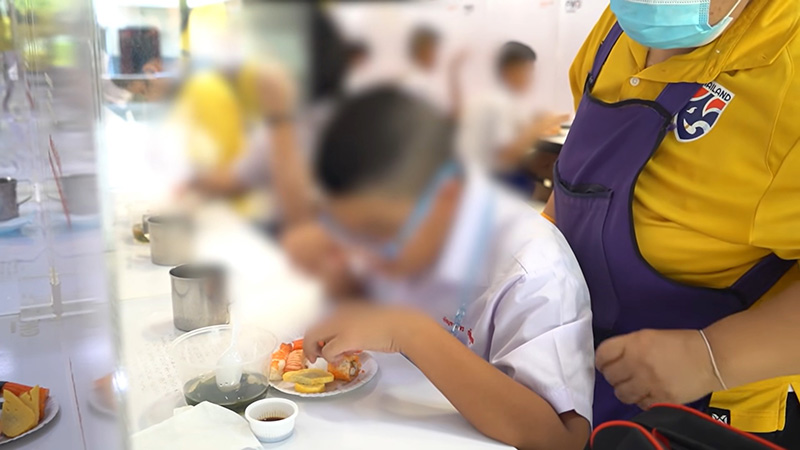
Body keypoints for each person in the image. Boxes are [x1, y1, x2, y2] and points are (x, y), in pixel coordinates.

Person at [544, 0, 800, 445]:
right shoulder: (622, 25)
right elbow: (579, 175)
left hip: (706, 412)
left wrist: (712, 357)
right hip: (583, 376)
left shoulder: (787, 69)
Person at [296, 86, 594, 450]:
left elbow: (562, 439)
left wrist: (407, 331)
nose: (364, 253)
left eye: (378, 230)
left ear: (447, 195)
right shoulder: (407, 228)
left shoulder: (532, 268)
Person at [459, 41, 568, 194]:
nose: (531, 78)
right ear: (510, 70)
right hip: (488, 181)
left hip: (475, 172)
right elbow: (506, 156)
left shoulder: (491, 98)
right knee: (552, 188)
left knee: (545, 162)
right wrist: (537, 128)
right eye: (527, 71)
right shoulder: (499, 103)